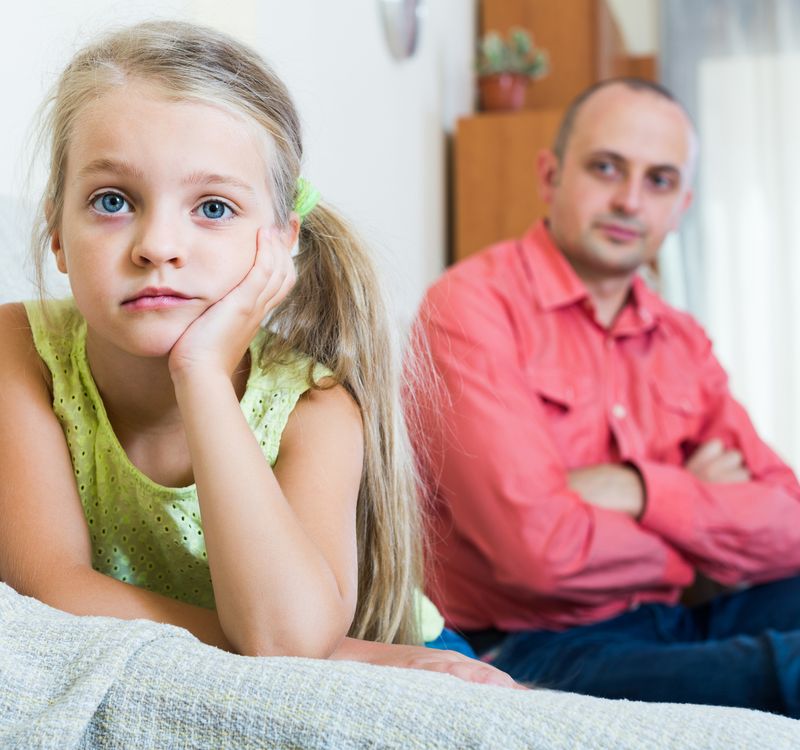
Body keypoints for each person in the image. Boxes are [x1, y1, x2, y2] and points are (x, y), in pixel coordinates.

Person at [0, 19, 515, 689]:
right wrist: (345, 657)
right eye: (113, 200)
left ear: (281, 242)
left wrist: (200, 374)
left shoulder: (315, 406)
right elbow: (52, 591)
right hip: (352, 655)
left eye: (213, 208)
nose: (158, 246)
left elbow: (285, 636)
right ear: (56, 233)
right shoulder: (19, 351)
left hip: (401, 647)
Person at [412, 77, 800, 714]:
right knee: (789, 669)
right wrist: (700, 533)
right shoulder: (470, 307)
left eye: (659, 181)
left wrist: (641, 490)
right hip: (533, 645)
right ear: (550, 176)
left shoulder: (682, 340)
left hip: (668, 621)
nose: (629, 200)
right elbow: (537, 554)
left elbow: (788, 521)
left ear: (681, 206)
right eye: (606, 168)